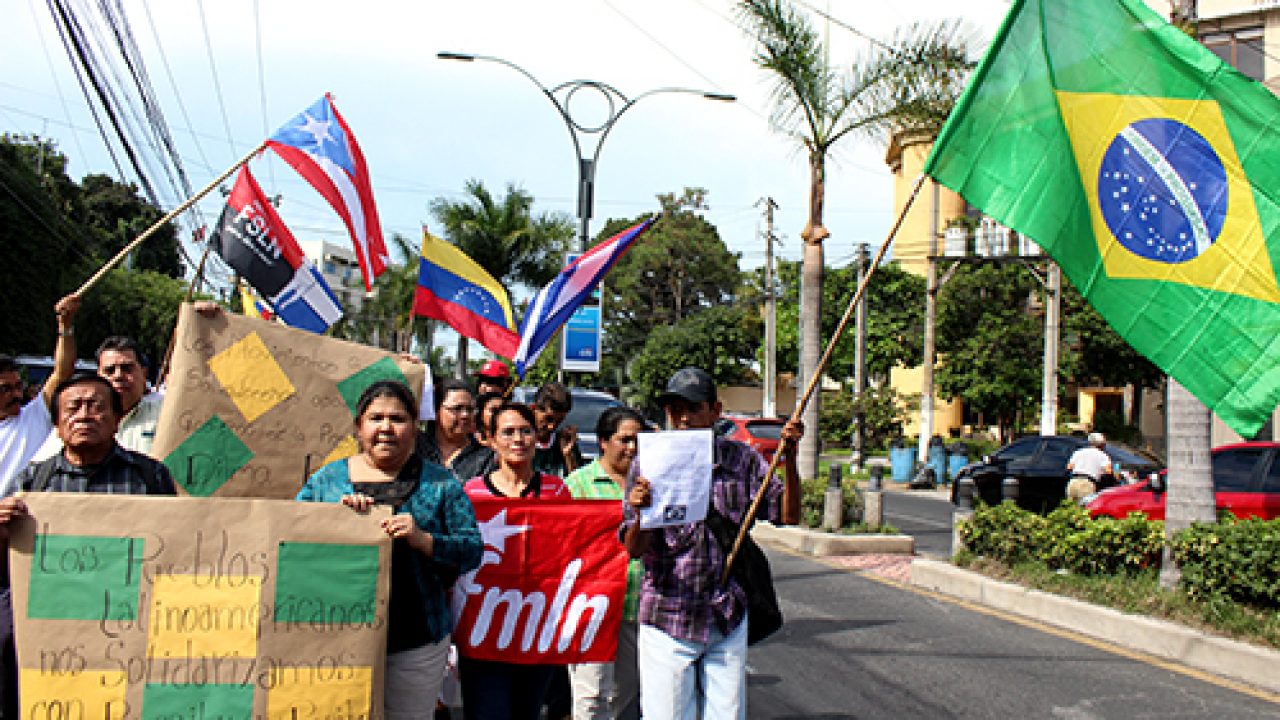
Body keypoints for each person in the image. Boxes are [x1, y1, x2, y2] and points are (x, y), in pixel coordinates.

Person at [622, 367, 802, 720]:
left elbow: (788, 515)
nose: (684, 418)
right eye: (675, 410)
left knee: (727, 714)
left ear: (715, 411)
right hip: (667, 613)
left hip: (725, 612)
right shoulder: (648, 464)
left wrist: (790, 459)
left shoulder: (742, 460)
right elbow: (634, 549)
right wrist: (642, 513)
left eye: (694, 408)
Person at [296, 380, 482, 719]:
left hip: (416, 641)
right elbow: (291, 541)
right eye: (376, 418)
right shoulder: (327, 482)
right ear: (358, 427)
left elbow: (472, 550)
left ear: (414, 427)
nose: (386, 428)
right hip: (336, 637)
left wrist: (426, 540)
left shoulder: (441, 484)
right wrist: (333, 520)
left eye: (397, 419)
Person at [0, 371, 176, 719]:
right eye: (73, 408)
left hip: (129, 604)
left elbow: (175, 544)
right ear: (57, 424)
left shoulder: (149, 476)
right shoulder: (33, 481)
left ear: (117, 419)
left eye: (96, 407)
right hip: (50, 601)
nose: (84, 416)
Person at [459, 402, 568, 719]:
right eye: (507, 432)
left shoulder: (557, 491)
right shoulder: (471, 493)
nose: (518, 439)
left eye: (525, 431)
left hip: (537, 627)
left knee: (528, 712)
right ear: (490, 440)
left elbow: (570, 550)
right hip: (483, 629)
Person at [564, 407, 646, 720]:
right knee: (591, 696)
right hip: (591, 609)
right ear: (603, 442)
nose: (632, 448)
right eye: (624, 440)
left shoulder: (651, 484)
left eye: (638, 440)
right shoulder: (577, 486)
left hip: (636, 607)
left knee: (625, 696)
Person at [0, 294, 79, 496]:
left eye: (18, 386)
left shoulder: (34, 416)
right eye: (5, 389)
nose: (16, 394)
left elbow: (63, 372)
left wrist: (65, 326)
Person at [418, 378, 494, 481]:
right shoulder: (416, 449)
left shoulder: (487, 458)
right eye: (457, 408)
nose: (465, 415)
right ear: (436, 411)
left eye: (470, 409)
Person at [531, 382, 582, 477]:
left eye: (559, 421)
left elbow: (578, 483)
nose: (552, 426)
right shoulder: (520, 442)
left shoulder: (565, 444)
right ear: (533, 409)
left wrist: (568, 456)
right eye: (548, 419)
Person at [1066, 432, 1114, 501]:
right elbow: (1108, 472)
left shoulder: (1078, 452)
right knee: (1086, 506)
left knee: (1071, 506)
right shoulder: (1103, 455)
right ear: (1102, 444)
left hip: (1073, 482)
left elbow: (1069, 467)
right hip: (1087, 484)